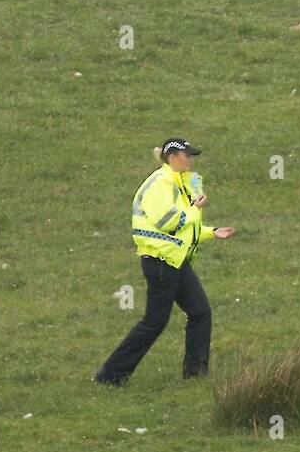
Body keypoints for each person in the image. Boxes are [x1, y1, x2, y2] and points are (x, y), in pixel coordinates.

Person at [95, 138, 237, 386]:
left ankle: (195, 374)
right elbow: (169, 222)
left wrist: (211, 232)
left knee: (200, 312)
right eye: (187, 156)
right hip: (160, 262)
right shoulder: (161, 184)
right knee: (154, 322)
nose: (191, 160)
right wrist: (195, 210)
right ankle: (110, 375)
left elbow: (182, 231)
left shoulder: (178, 182)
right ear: (173, 158)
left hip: (174, 260)